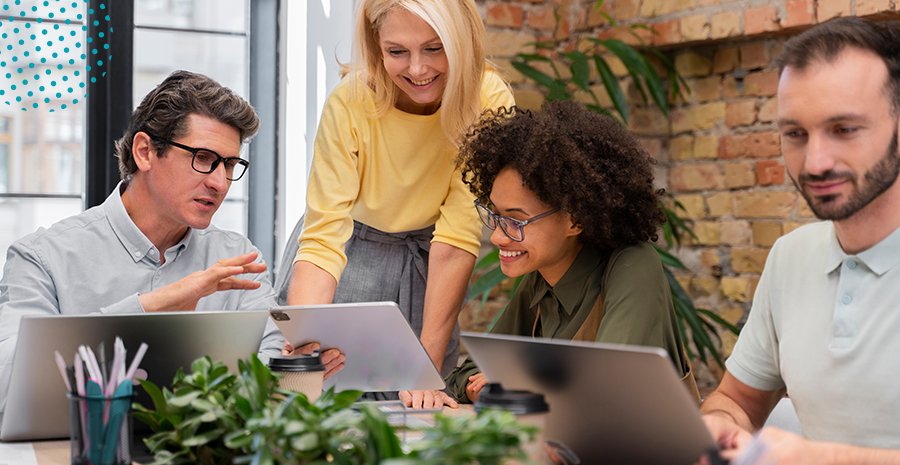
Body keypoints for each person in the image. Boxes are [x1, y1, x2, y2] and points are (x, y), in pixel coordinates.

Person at [0, 71, 340, 414]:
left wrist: (297, 376)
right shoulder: (41, 257)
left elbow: (265, 390)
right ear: (145, 152)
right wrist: (152, 306)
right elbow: (6, 386)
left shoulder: (237, 258)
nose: (220, 183)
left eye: (230, 164)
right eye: (203, 159)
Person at [277, 0, 514, 409]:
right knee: (310, 411)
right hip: (346, 258)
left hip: (428, 265)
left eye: (434, 47)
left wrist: (424, 367)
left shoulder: (489, 98)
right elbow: (322, 242)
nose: (417, 69)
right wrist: (304, 340)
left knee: (420, 411)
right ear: (376, 46)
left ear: (462, 41)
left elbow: (457, 238)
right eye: (397, 51)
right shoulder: (348, 102)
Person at [699, 17, 900, 464]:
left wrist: (822, 457)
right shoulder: (792, 256)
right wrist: (719, 424)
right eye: (795, 134)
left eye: (844, 129)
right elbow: (738, 400)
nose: (815, 161)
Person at [446, 100, 696, 404]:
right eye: (495, 216)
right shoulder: (540, 279)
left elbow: (606, 383)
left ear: (575, 218)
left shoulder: (632, 263)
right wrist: (491, 387)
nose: (498, 236)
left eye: (516, 220)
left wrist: (516, 379)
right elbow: (469, 374)